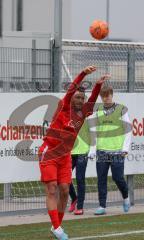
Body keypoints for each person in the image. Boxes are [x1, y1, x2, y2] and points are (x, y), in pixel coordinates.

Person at [38, 66, 110, 240]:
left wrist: (98, 85)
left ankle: (57, 226)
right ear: (71, 99)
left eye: (82, 98)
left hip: (65, 156)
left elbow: (92, 99)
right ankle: (57, 228)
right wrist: (84, 73)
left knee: (64, 190)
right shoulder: (63, 107)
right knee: (52, 188)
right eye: (77, 97)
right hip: (49, 152)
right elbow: (71, 89)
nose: (79, 100)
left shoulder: (84, 112)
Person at [88, 85, 132, 215]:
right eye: (103, 96)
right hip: (101, 151)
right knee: (101, 179)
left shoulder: (121, 109)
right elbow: (93, 131)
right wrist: (92, 149)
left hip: (117, 151)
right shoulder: (97, 110)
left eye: (107, 95)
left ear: (112, 95)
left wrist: (125, 148)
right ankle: (102, 206)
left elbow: (128, 130)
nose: (105, 98)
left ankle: (126, 197)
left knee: (118, 178)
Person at [68, 116, 91, 215]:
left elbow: (93, 133)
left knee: (80, 178)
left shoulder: (87, 116)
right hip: (69, 152)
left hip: (83, 151)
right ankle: (74, 198)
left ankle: (80, 206)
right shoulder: (67, 116)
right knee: (64, 178)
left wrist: (91, 149)